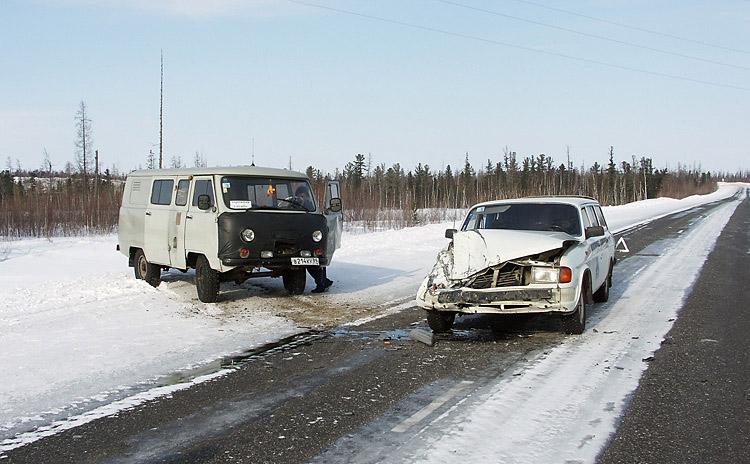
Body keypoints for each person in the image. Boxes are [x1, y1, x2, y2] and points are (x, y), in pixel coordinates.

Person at [294, 185, 333, 293]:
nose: (301, 198)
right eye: (299, 196)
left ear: (307, 196)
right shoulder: (294, 206)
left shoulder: (310, 206)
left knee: (316, 262)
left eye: (303, 196)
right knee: (310, 264)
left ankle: (322, 283)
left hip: (310, 236)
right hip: (299, 236)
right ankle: (323, 282)